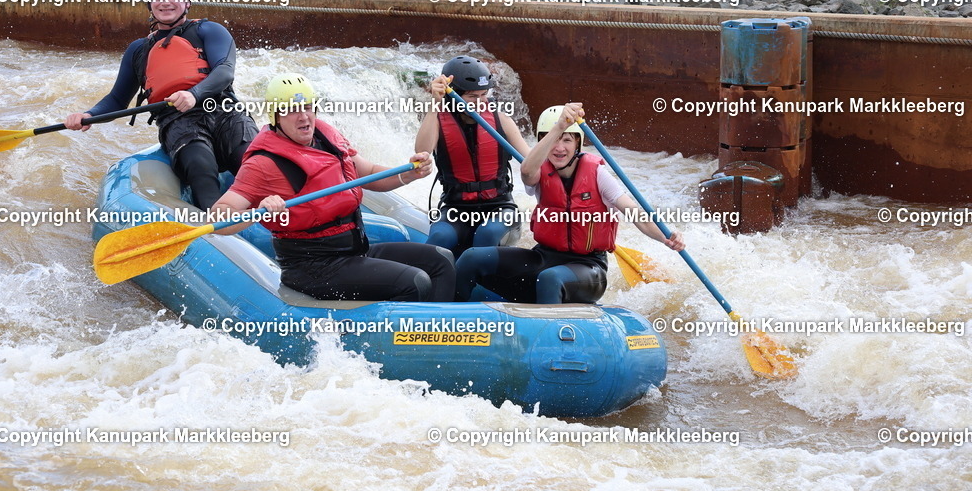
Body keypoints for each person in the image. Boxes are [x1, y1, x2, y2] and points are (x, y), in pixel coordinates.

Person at [211, 74, 455, 302]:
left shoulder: (325, 138)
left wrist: (408, 174)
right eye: (292, 110)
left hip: (355, 251)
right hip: (313, 267)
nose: (304, 117)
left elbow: (367, 173)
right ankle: (416, 343)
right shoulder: (263, 163)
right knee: (415, 281)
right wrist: (261, 208)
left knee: (440, 260)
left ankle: (447, 332)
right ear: (276, 116)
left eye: (307, 107)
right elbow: (220, 213)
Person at [64, 0, 257, 210]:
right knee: (199, 164)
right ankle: (217, 229)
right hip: (179, 122)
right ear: (150, 4)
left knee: (256, 161)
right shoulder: (138, 50)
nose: (165, 2)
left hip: (226, 113)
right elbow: (117, 98)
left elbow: (225, 70)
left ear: (186, 2)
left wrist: (194, 94)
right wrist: (89, 115)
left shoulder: (209, 31)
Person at [455, 103, 685, 304]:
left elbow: (634, 213)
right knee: (471, 257)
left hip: (588, 268)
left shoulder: (598, 174)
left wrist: (667, 237)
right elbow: (526, 171)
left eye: (566, 140)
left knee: (551, 278)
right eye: (553, 140)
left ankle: (550, 343)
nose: (559, 148)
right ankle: (448, 322)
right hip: (543, 257)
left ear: (577, 144)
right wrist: (559, 127)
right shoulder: (538, 171)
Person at [415, 56, 530, 258]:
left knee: (487, 233)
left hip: (500, 207)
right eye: (472, 96)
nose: (481, 102)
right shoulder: (438, 119)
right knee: (439, 238)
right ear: (453, 96)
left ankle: (479, 284)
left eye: (484, 94)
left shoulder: (500, 119)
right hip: (456, 208)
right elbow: (422, 154)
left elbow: (531, 163)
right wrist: (434, 103)